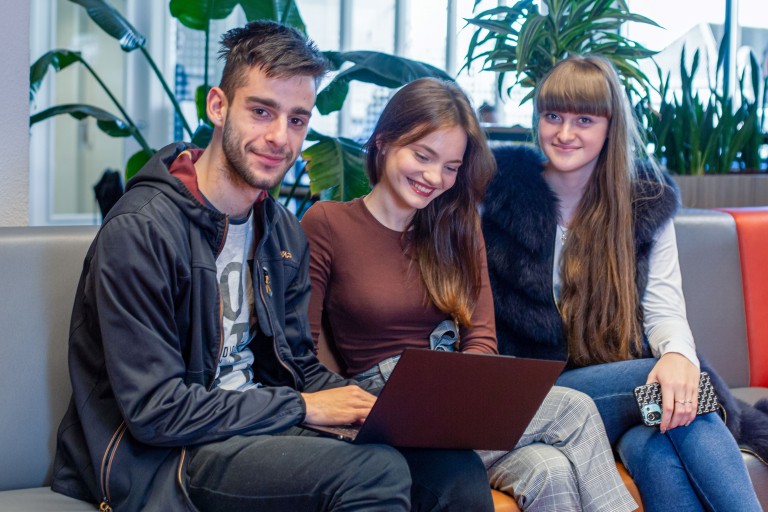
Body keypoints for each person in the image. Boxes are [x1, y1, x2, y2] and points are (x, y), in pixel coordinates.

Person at [49, 21, 489, 512]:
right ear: (218, 106)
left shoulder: (279, 231)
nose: (280, 137)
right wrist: (303, 406)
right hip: (168, 456)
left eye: (297, 120)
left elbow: (296, 365)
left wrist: (373, 408)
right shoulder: (142, 230)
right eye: (262, 111)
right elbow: (156, 411)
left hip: (258, 425)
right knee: (374, 472)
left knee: (452, 470)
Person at [302, 77, 638, 512]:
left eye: (450, 166)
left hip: (456, 393)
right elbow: (301, 351)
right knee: (574, 410)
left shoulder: (457, 227)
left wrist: (468, 393)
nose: (433, 177)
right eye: (423, 156)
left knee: (550, 470)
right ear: (384, 142)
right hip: (383, 402)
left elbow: (482, 338)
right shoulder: (328, 223)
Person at [481, 55, 763, 511]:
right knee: (682, 386)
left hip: (619, 401)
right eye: (552, 116)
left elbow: (664, 309)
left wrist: (675, 352)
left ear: (610, 127)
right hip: (541, 397)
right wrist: (679, 365)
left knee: (657, 447)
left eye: (584, 120)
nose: (564, 133)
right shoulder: (501, 198)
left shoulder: (643, 201)